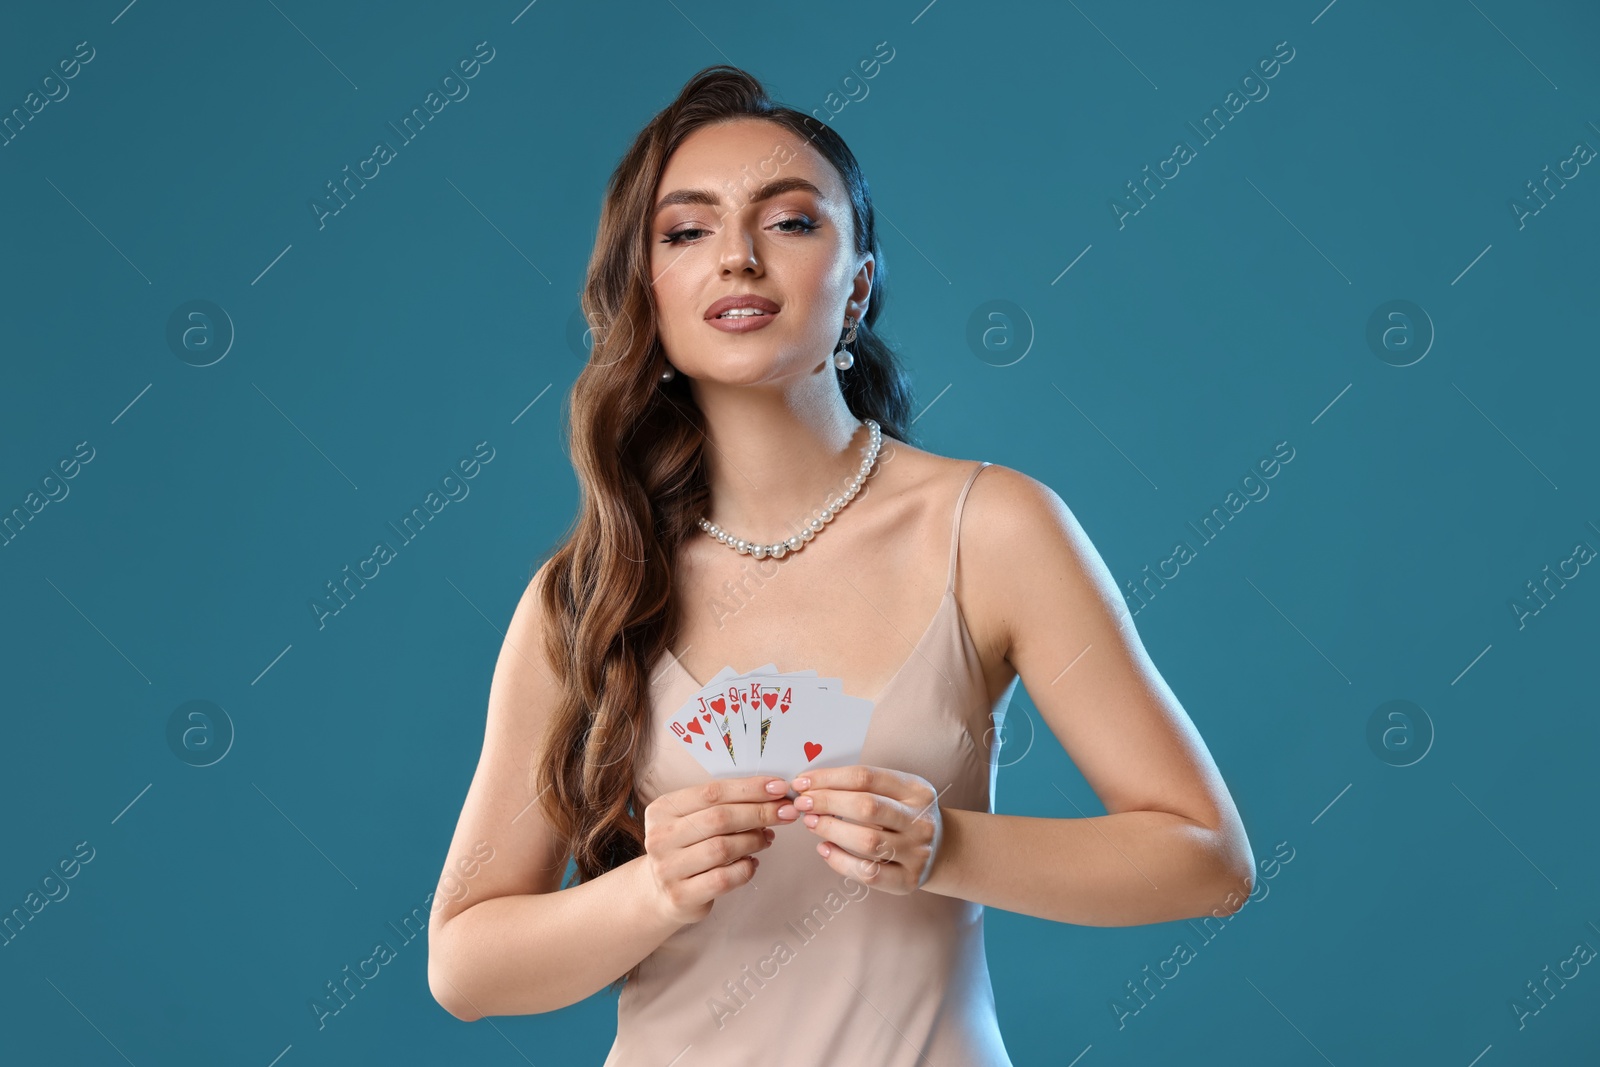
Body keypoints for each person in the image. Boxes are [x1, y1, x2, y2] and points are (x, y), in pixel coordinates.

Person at [425, 65, 1254, 1065]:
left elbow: (1207, 860)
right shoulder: (587, 589)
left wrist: (948, 846)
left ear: (857, 282)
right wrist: (650, 887)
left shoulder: (989, 527)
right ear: (649, 291)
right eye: (686, 232)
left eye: (788, 222)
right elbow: (464, 965)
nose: (736, 256)